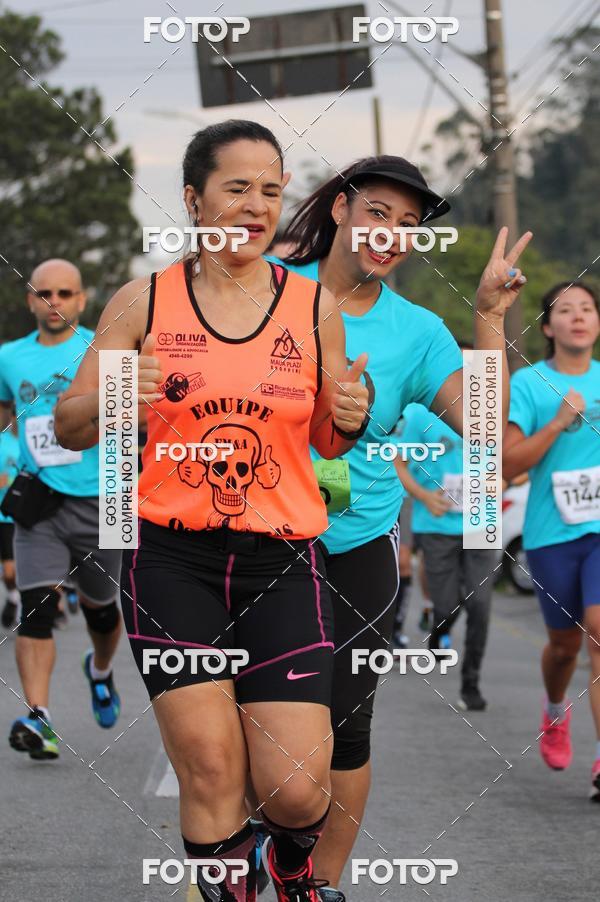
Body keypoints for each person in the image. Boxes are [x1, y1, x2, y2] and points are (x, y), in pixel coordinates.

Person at [55, 120, 370, 902]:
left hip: (283, 563)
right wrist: (123, 385)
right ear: (194, 198)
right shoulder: (144, 300)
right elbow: (68, 424)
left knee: (298, 792)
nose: (257, 205)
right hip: (171, 561)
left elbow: (327, 436)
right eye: (238, 187)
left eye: (271, 189)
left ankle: (287, 862)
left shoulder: (312, 306)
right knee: (211, 768)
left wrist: (351, 412)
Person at [273, 155, 531, 897]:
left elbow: (484, 428)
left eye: (410, 225)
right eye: (379, 213)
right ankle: (256, 843)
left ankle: (316, 884)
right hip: (254, 547)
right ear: (341, 212)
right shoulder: (266, 291)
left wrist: (487, 317)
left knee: (346, 733)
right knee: (261, 730)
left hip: (356, 548)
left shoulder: (416, 332)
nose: (392, 233)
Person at [0, 259, 123, 761]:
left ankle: (99, 670)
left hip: (105, 498)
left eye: (65, 293)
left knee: (101, 608)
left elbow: (130, 423)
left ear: (82, 298)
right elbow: (7, 412)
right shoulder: (9, 357)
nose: (55, 302)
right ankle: (40, 718)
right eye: (44, 292)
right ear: (30, 299)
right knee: (37, 608)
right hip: (40, 503)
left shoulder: (106, 349)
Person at [503, 281, 600, 799]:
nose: (578, 317)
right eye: (566, 310)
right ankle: (554, 708)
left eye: (587, 309)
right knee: (564, 647)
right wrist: (560, 421)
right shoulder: (529, 383)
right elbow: (509, 464)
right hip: (550, 533)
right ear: (547, 326)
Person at [395, 384, 498, 711]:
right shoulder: (421, 415)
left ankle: (471, 683)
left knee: (480, 605)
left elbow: (510, 465)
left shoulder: (489, 415)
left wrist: (505, 479)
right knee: (446, 606)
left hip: (482, 524)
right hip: (437, 527)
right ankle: (439, 631)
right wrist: (425, 497)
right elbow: (398, 463)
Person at [0, 417, 20, 629]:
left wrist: (10, 481)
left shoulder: (21, 443)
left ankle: (14, 597)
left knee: (10, 572)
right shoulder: (2, 440)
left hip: (11, 517)